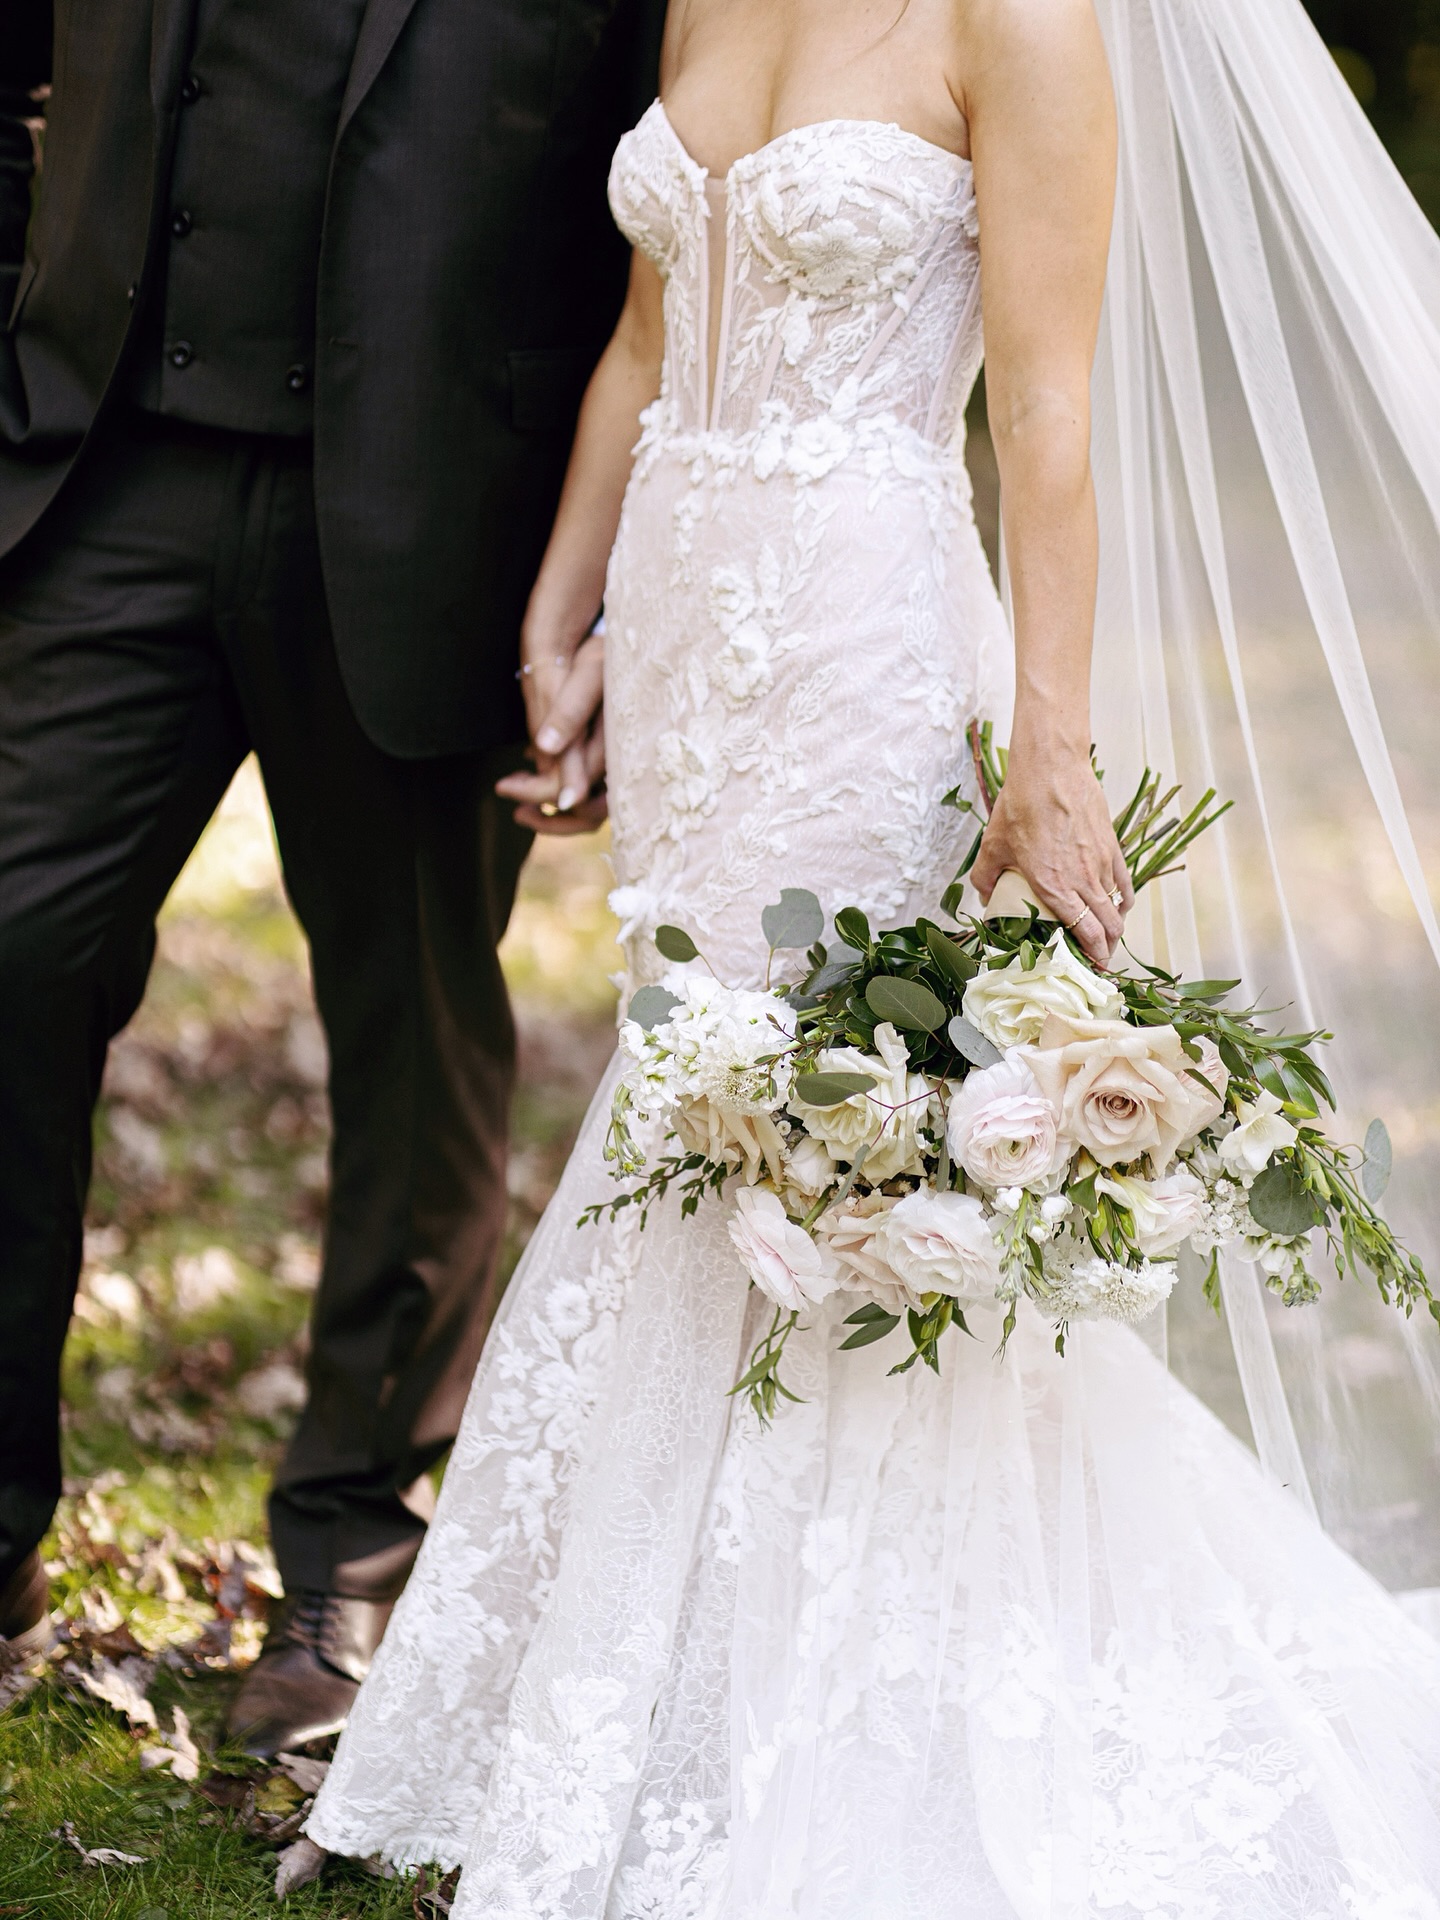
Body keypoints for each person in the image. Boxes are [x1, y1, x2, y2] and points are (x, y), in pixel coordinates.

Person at [302, 0, 1440, 1909]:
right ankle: (643, 1685)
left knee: (827, 1132)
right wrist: (564, 612)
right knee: (690, 1102)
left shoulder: (1024, 22)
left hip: (864, 636)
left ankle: (867, 1702)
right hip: (684, 623)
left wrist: (1054, 752)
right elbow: (650, 335)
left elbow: (1050, 406)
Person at [0, 0, 665, 1756]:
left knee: (414, 1037)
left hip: (448, 515)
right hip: (104, 476)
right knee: (11, 948)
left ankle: (349, 1566)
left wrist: (614, 586)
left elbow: (677, 209)